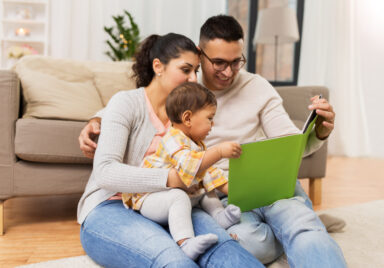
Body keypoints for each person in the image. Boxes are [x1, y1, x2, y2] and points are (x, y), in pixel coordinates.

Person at [80, 16, 347, 267]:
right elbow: (134, 108)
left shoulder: (246, 89)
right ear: (199, 53)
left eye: (236, 62)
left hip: (245, 187)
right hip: (201, 194)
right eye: (218, 62)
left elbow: (290, 143)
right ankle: (294, 229)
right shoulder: (181, 98)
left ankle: (300, 227)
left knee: (292, 229)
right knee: (227, 248)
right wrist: (96, 121)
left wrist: (319, 133)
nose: (227, 72)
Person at [77, 32, 264, 268]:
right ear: (158, 66)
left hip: (177, 202)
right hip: (111, 205)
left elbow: (202, 166)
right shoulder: (126, 103)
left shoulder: (189, 118)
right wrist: (171, 179)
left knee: (223, 248)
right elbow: (105, 172)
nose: (193, 78)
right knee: (173, 260)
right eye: (185, 70)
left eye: (195, 71)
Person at [122, 82, 243, 260]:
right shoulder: (171, 139)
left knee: (206, 190)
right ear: (187, 118)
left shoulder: (197, 144)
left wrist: (241, 192)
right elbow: (189, 167)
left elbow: (211, 174)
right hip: (150, 199)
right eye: (210, 118)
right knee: (179, 197)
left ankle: (219, 216)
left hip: (174, 195)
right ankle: (185, 242)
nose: (213, 124)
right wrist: (218, 152)